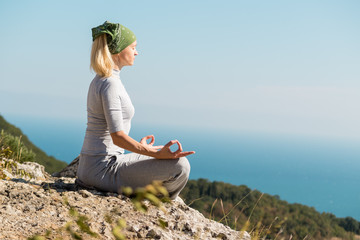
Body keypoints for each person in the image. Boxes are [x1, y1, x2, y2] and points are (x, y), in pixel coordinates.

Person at [77, 21, 195, 200]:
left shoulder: (103, 80)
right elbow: (117, 137)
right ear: (118, 50)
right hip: (102, 170)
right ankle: (158, 199)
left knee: (169, 159)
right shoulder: (110, 83)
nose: (136, 52)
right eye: (133, 47)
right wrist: (154, 153)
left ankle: (149, 192)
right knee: (181, 166)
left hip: (101, 163)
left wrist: (143, 149)